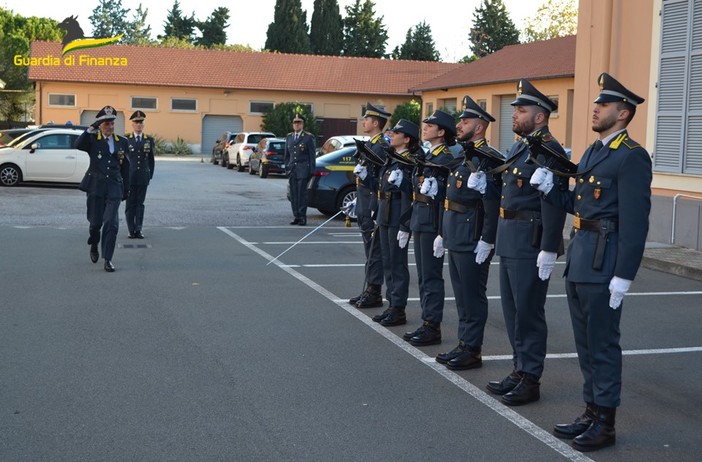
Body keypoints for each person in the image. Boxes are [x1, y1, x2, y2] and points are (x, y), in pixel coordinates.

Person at [530, 73, 651, 451]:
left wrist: (624, 275)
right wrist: (552, 191)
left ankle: (606, 423)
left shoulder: (631, 157)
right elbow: (577, 208)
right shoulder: (595, 152)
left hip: (605, 260)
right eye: (597, 103)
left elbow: (636, 220)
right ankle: (591, 410)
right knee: (585, 343)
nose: (595, 108)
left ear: (623, 113)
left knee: (602, 344)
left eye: (604, 104)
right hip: (581, 257)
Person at [470, 79, 567, 405]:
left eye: (521, 110)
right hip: (511, 239)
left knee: (528, 311)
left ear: (540, 117)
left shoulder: (548, 149)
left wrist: (550, 247)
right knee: (512, 310)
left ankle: (531, 377)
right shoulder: (518, 148)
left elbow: (551, 202)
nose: (514, 115)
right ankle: (519, 368)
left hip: (530, 240)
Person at [435, 97, 503, 370]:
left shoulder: (489, 158)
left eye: (466, 120)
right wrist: (443, 232)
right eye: (461, 120)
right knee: (461, 295)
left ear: (480, 126)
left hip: (473, 236)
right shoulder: (463, 155)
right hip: (456, 233)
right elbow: (451, 199)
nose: (460, 124)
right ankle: (464, 343)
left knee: (473, 295)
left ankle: (473, 349)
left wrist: (488, 238)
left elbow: (492, 202)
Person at [394, 110, 455, 340]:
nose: (426, 127)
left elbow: (445, 197)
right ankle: (427, 321)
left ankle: (432, 326)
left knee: (431, 275)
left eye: (431, 125)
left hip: (432, 224)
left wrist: (441, 231)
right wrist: (407, 222)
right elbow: (415, 193)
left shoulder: (445, 159)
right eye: (426, 124)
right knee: (422, 275)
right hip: (420, 220)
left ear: (441, 132)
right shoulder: (428, 156)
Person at [371, 119, 419, 327]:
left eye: (396, 133)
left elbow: (410, 195)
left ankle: (398, 308)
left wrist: (405, 224)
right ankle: (392, 304)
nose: (391, 134)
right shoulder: (392, 159)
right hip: (385, 212)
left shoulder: (408, 162)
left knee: (397, 263)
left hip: (397, 214)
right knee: (388, 261)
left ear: (406, 139)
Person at [75, 105, 130, 272]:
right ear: (100, 125)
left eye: (112, 123)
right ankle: (93, 242)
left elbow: (125, 168)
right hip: (95, 187)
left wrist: (125, 191)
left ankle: (108, 259)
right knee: (95, 223)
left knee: (111, 223)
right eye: (106, 124)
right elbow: (78, 144)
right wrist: (90, 128)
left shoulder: (122, 142)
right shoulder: (92, 140)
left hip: (114, 188)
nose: (110, 127)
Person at [348, 103, 391, 310]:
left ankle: (374, 291)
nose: (363, 122)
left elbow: (379, 179)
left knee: (374, 250)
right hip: (364, 203)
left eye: (366, 119)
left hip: (373, 204)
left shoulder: (381, 146)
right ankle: (369, 288)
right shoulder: (370, 144)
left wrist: (373, 203)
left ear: (375, 123)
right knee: (369, 248)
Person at [124, 110, 155, 239]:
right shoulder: (126, 139)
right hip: (130, 177)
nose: (138, 125)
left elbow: (151, 160)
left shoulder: (149, 140)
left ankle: (139, 229)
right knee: (130, 204)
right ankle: (131, 230)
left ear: (143, 124)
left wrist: (149, 175)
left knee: (140, 204)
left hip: (143, 177)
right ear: (132, 124)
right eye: (136, 122)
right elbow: (123, 160)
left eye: (141, 122)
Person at [284, 113, 316, 226]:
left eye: (299, 123)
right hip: (292, 169)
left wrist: (311, 170)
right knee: (293, 194)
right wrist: (287, 167)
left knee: (301, 194)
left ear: (302, 124)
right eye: (295, 123)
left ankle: (302, 217)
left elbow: (312, 156)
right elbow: (287, 155)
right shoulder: (289, 137)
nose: (297, 125)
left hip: (303, 169)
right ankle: (296, 216)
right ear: (293, 125)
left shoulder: (308, 137)